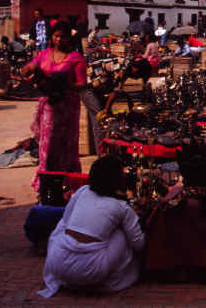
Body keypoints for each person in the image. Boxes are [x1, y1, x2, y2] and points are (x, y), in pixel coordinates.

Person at [38, 156, 145, 297]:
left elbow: (65, 222)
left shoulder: (83, 191)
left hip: (57, 261)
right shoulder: (122, 208)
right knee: (122, 232)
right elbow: (139, 245)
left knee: (65, 226)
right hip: (90, 270)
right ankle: (112, 276)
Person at [21, 21, 86, 191]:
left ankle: (68, 184)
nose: (59, 39)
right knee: (48, 145)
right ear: (52, 37)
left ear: (68, 38)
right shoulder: (44, 54)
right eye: (56, 36)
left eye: (63, 36)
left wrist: (66, 84)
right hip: (50, 107)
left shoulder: (75, 59)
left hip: (67, 109)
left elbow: (82, 84)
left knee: (67, 146)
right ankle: (47, 184)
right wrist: (29, 69)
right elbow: (29, 68)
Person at [82, 57, 152, 153]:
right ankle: (102, 154)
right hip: (88, 89)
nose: (136, 78)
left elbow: (120, 90)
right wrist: (106, 110)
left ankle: (101, 151)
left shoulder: (127, 66)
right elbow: (114, 92)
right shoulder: (122, 69)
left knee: (101, 120)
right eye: (138, 75)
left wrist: (130, 105)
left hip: (97, 89)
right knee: (102, 120)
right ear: (136, 69)